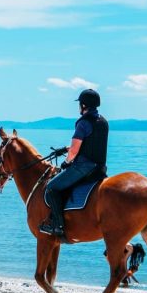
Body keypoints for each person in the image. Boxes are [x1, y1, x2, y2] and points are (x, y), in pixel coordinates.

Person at [39, 89, 109, 236]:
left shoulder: (83, 123)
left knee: (51, 187)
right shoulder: (102, 121)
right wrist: (65, 149)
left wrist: (66, 162)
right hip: (99, 168)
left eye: (80, 104)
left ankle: (57, 226)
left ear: (84, 105)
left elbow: (75, 150)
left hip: (83, 167)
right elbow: (90, 144)